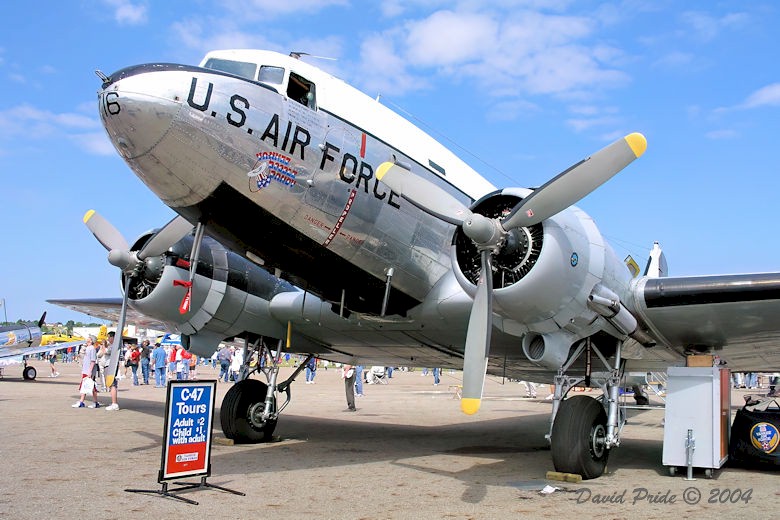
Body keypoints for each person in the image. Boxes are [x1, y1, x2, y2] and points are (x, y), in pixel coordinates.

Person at [72, 336, 100, 408]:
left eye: (88, 339)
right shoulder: (88, 348)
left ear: (91, 341)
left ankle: (83, 402)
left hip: (89, 370)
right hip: (86, 369)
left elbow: (93, 361)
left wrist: (90, 371)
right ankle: (93, 402)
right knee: (88, 386)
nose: (87, 340)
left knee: (87, 385)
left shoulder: (92, 348)